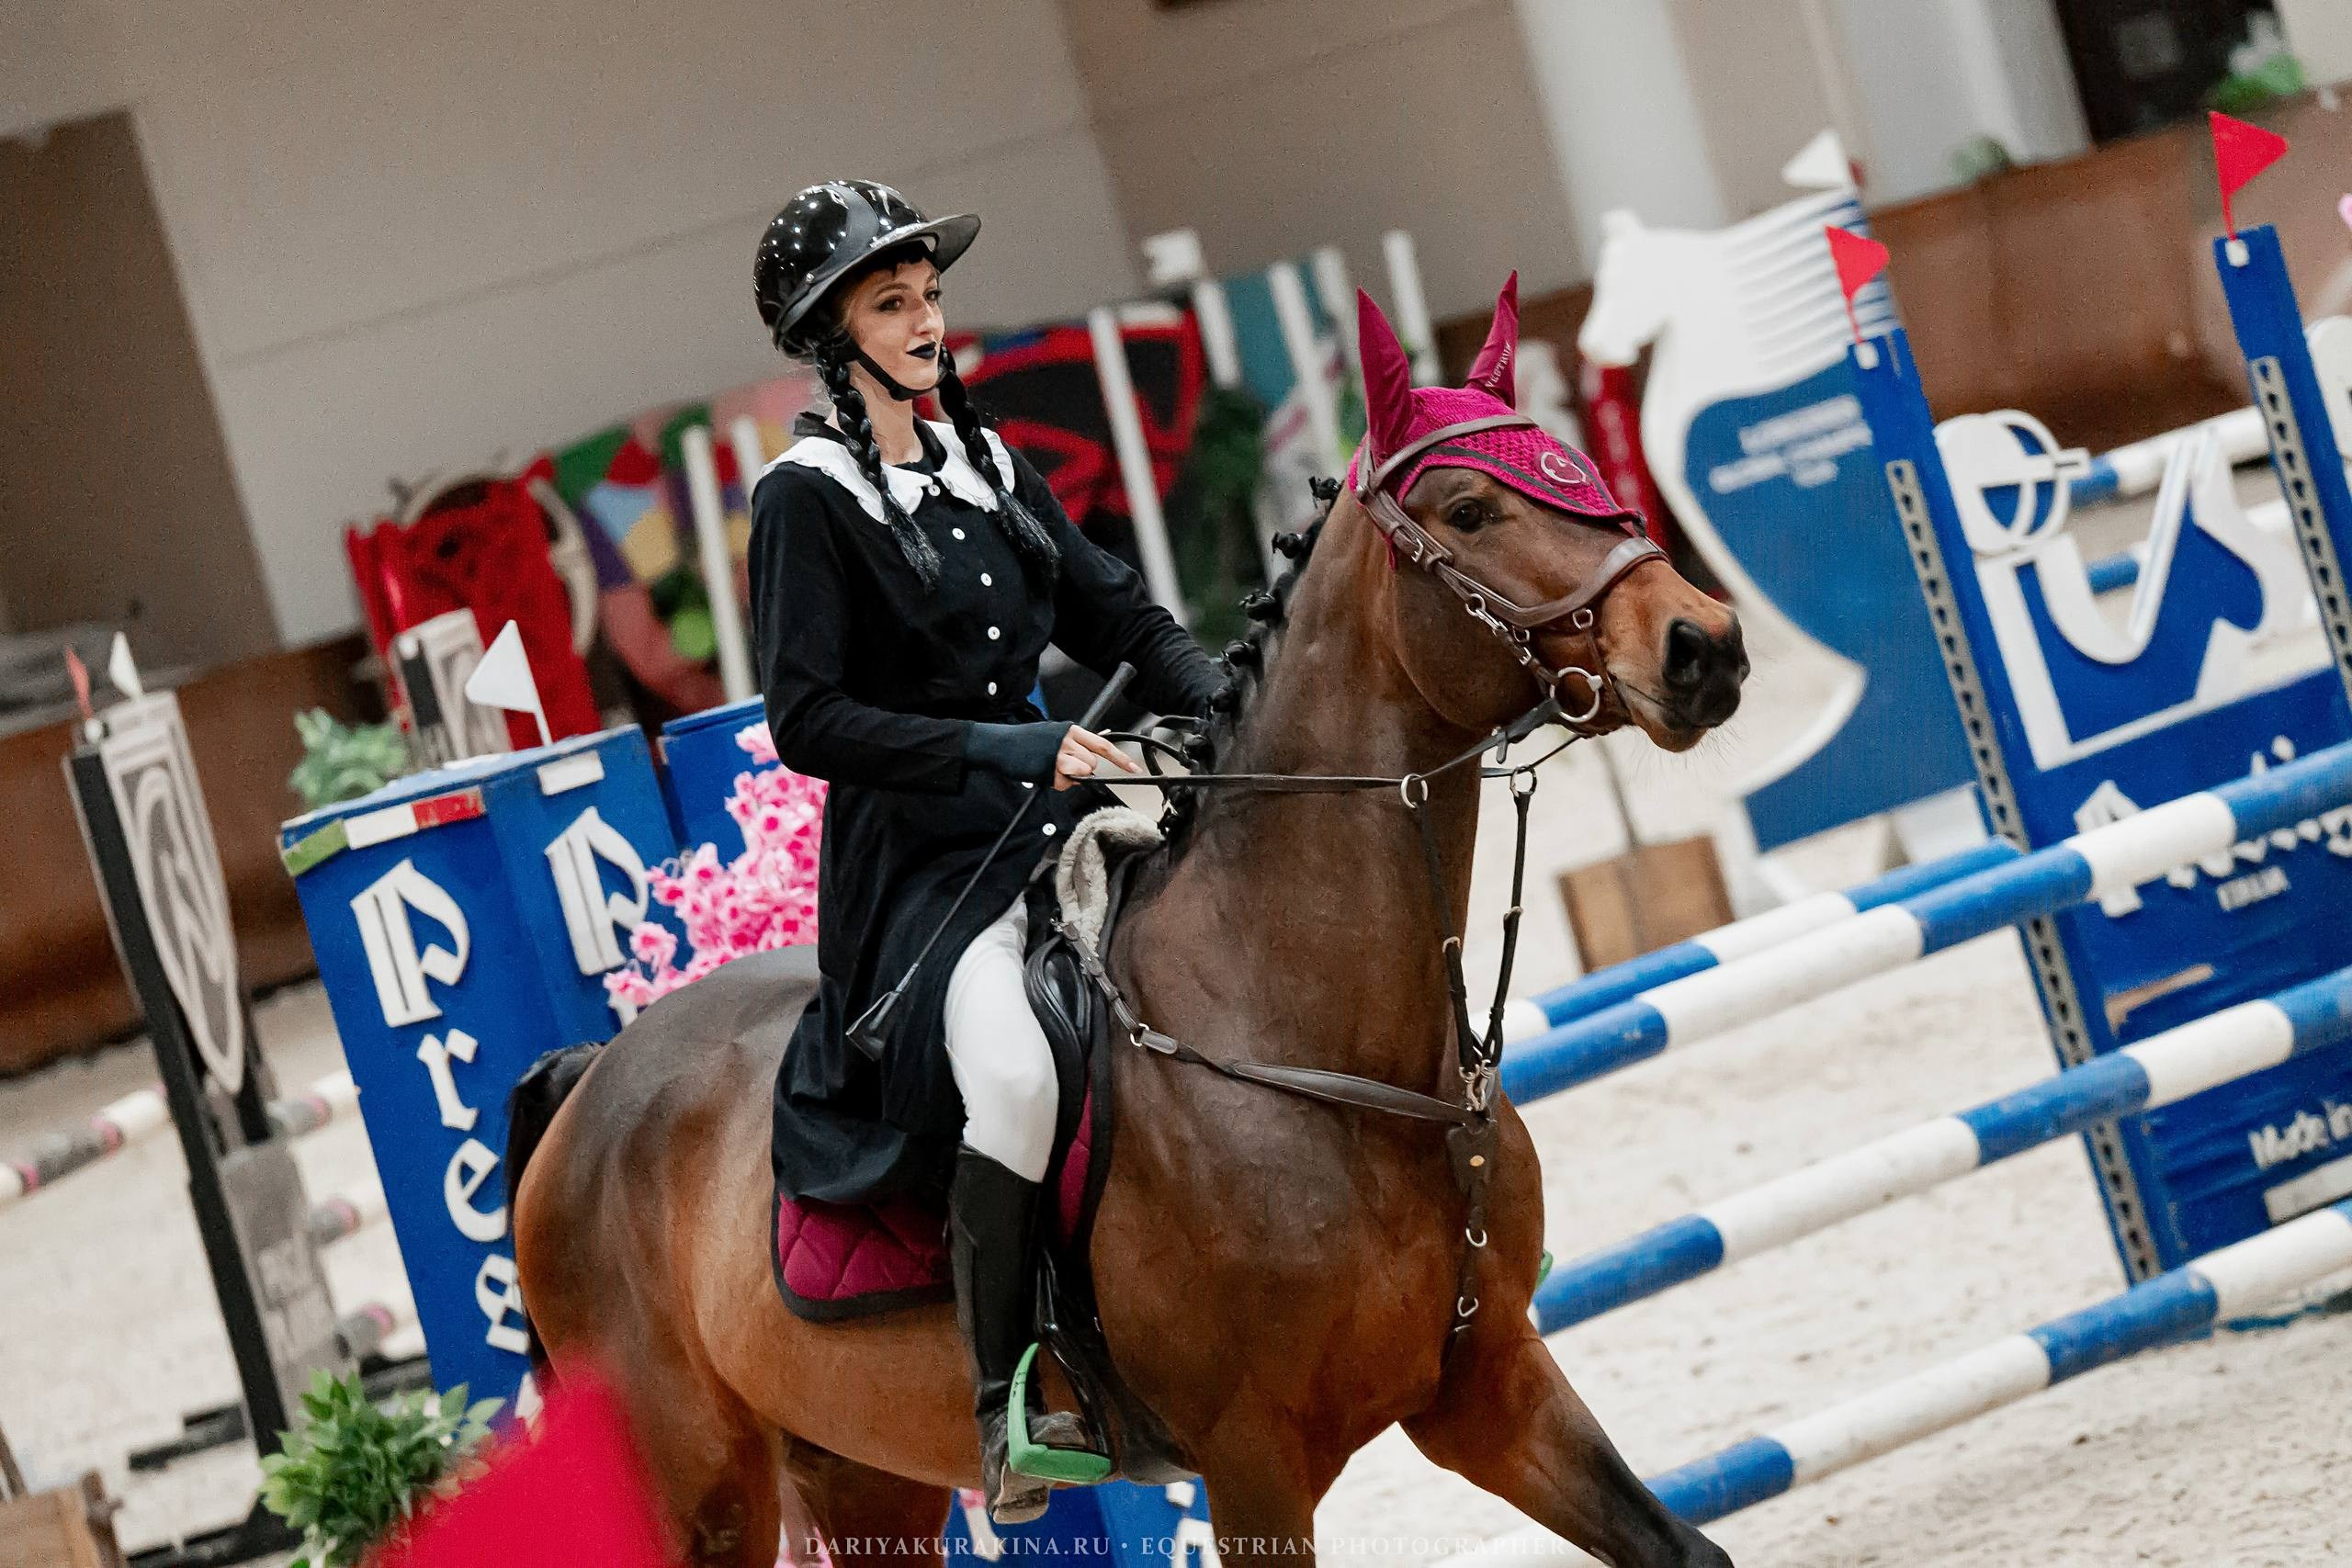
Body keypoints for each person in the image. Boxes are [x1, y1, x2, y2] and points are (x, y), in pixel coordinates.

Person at [747, 180, 1223, 1522]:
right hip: (925, 869)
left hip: (1054, 809)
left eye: (929, 297)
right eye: (891, 304)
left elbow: (1116, 608)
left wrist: (1217, 695)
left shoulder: (986, 460)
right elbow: (807, 718)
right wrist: (1021, 750)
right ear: (830, 335)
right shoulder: (809, 500)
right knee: (1013, 1078)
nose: (925, 321)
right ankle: (1008, 1399)